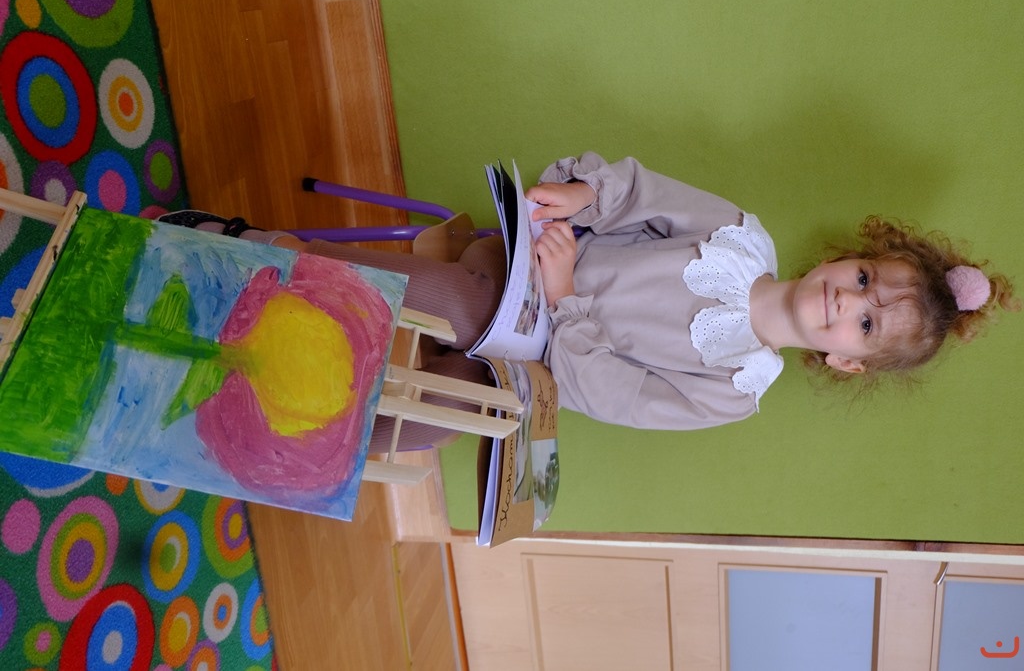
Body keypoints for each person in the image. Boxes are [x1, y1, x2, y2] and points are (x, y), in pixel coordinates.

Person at [161, 152, 1017, 447]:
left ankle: (261, 409)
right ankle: (257, 258)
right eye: (863, 278)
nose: (846, 300)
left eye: (864, 322)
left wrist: (568, 306)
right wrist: (582, 197)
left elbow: (618, 396)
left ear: (845, 359)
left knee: (437, 417)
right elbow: (638, 193)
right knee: (462, 305)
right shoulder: (739, 239)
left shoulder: (738, 387)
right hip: (508, 277)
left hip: (530, 365)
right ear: (844, 257)